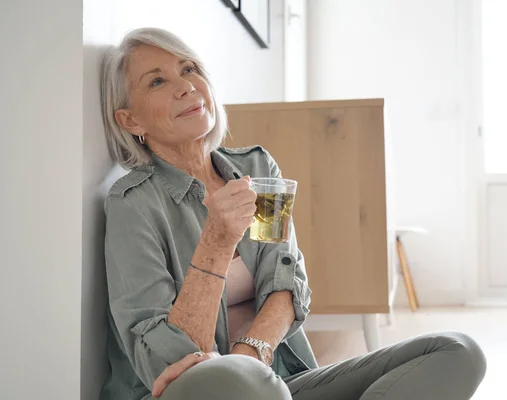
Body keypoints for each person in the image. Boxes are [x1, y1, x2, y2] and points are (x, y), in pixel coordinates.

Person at [99, 27, 486, 400]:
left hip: (278, 379)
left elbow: (285, 281)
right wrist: (217, 240)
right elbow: (163, 360)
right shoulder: (132, 205)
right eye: (156, 82)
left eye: (189, 68)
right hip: (196, 391)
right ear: (131, 121)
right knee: (245, 386)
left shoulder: (258, 170)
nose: (186, 85)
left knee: (457, 351)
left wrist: (251, 356)